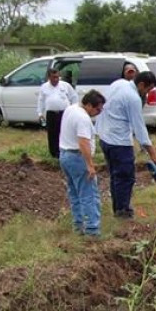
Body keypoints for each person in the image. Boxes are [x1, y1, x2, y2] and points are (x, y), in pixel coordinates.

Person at [96, 71, 156, 219]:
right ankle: (122, 211)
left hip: (104, 137)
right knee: (125, 177)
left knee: (115, 176)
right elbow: (139, 128)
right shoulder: (133, 98)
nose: (147, 93)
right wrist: (153, 153)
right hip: (119, 142)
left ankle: (118, 208)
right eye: (147, 89)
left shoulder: (118, 83)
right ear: (141, 85)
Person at [58, 90, 106, 237]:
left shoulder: (70, 109)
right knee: (89, 195)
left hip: (65, 155)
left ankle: (78, 226)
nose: (99, 112)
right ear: (89, 105)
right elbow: (83, 142)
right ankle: (92, 230)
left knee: (75, 193)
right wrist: (90, 165)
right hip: (77, 158)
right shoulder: (83, 118)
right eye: (98, 109)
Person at [37, 67, 78, 158]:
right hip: (51, 114)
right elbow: (41, 101)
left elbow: (74, 97)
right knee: (52, 134)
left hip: (64, 113)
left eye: (57, 77)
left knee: (64, 133)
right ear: (49, 77)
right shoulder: (44, 87)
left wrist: (74, 109)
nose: (56, 79)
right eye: (53, 77)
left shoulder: (65, 85)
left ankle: (65, 151)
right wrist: (40, 113)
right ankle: (54, 154)